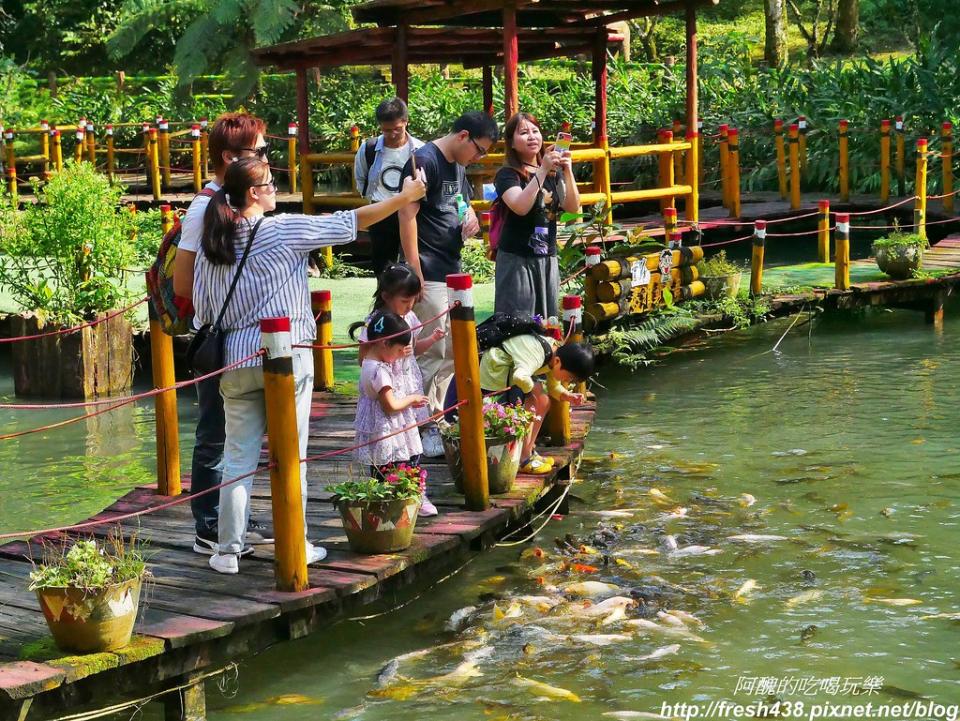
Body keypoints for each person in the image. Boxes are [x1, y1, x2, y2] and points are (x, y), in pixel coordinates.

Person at [194, 157, 426, 574]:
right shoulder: (280, 229)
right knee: (291, 455)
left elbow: (203, 310)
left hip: (233, 359)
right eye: (269, 184)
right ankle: (295, 543)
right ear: (252, 193)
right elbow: (349, 222)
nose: (274, 192)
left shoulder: (215, 244)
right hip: (283, 359)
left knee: (237, 458)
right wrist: (404, 197)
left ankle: (227, 551)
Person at [171, 112, 273, 556]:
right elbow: (182, 283)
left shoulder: (242, 200)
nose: (267, 159)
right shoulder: (205, 206)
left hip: (247, 338)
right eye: (260, 151)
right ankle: (208, 526)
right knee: (214, 432)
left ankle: (233, 516)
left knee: (238, 433)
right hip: (218, 337)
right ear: (231, 157)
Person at [398, 111, 500, 457]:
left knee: (452, 349)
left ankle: (435, 415)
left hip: (451, 264)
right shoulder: (424, 160)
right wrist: (415, 269)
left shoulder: (457, 165)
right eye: (480, 150)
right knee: (432, 349)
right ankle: (420, 425)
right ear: (463, 136)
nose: (479, 158)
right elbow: (406, 213)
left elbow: (459, 203)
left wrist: (469, 215)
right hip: (428, 269)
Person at [348, 263, 445, 515]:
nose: (410, 307)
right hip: (387, 384)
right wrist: (390, 353)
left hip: (407, 383)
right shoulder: (376, 323)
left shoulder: (410, 318)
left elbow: (414, 347)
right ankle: (387, 495)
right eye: (405, 301)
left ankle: (415, 492)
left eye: (413, 301)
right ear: (386, 296)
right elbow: (363, 358)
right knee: (388, 443)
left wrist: (429, 341)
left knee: (411, 440)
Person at [444, 336, 594, 474]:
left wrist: (567, 395)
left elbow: (553, 386)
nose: (568, 381)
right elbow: (519, 376)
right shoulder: (538, 352)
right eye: (569, 377)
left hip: (505, 376)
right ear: (558, 362)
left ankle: (526, 452)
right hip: (488, 377)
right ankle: (523, 458)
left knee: (543, 401)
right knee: (538, 399)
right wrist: (533, 393)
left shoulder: (554, 351)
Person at [494, 112, 581, 320]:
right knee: (517, 321)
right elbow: (520, 206)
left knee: (548, 321)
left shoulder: (553, 172)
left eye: (535, 131)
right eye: (523, 133)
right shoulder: (507, 175)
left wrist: (567, 171)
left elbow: (572, 207)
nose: (532, 136)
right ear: (512, 143)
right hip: (517, 259)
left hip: (546, 256)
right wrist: (542, 170)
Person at [353, 310, 429, 477]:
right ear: (385, 343)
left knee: (380, 473)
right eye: (400, 350)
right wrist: (412, 399)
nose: (403, 354)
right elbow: (390, 407)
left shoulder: (367, 363)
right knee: (398, 470)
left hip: (376, 432)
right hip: (389, 432)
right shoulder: (380, 372)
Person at [354, 98, 425, 275]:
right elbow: (360, 178)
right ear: (379, 126)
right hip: (381, 212)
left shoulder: (420, 149)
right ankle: (384, 300)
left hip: (412, 212)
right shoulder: (368, 148)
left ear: (406, 122)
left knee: (414, 263)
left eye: (397, 129)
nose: (392, 134)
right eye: (386, 130)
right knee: (383, 267)